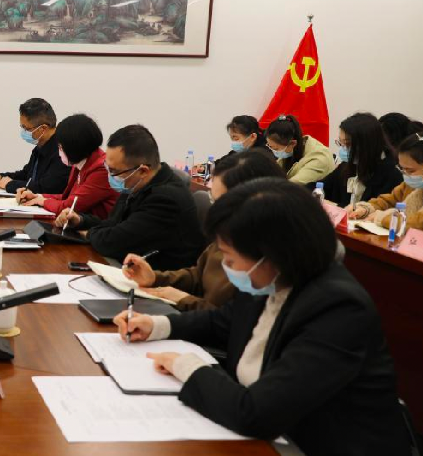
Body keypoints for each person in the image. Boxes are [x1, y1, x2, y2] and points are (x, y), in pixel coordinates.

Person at [116, 178, 416, 456]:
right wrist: (159, 325)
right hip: (274, 450)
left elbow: (256, 413)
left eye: (230, 257)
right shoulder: (275, 280)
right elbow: (225, 321)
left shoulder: (339, 307)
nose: (226, 267)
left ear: (272, 254)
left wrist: (189, 367)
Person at [121, 151, 285, 310]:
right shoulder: (227, 232)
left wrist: (186, 301)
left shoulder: (268, 261)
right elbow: (199, 275)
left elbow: (231, 320)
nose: (216, 210)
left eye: (222, 202)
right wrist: (156, 278)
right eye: (213, 200)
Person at [59, 124, 205, 271]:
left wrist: (87, 233)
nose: (110, 175)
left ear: (142, 171)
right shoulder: (135, 182)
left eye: (113, 170)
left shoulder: (166, 200)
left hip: (159, 279)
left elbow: (114, 242)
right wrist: (81, 221)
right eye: (107, 167)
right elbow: (113, 224)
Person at [16, 113, 116, 219]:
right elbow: (67, 197)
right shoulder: (80, 161)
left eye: (60, 146)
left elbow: (68, 207)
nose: (59, 150)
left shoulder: (101, 169)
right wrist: (37, 196)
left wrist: (42, 202)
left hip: (97, 226)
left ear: (73, 147)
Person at [348, 131, 423, 233]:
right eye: (402, 169)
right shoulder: (411, 186)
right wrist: (365, 209)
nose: (406, 175)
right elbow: (388, 200)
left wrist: (383, 218)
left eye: (411, 170)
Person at [0, 98, 69, 194]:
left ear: (42, 129)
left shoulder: (62, 152)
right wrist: (0, 176)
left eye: (26, 128)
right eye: (22, 127)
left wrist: (10, 184)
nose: (23, 132)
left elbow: (46, 188)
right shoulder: (40, 146)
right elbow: (27, 175)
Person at [323, 113, 401, 207]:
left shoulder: (391, 176)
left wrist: (334, 206)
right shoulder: (346, 166)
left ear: (367, 144)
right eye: (340, 142)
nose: (343, 148)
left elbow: (370, 210)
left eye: (348, 144)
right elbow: (318, 186)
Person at [264, 114, 334, 185]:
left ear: (292, 143)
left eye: (276, 148)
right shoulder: (293, 149)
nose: (273, 151)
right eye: (270, 146)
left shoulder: (319, 158)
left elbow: (294, 185)